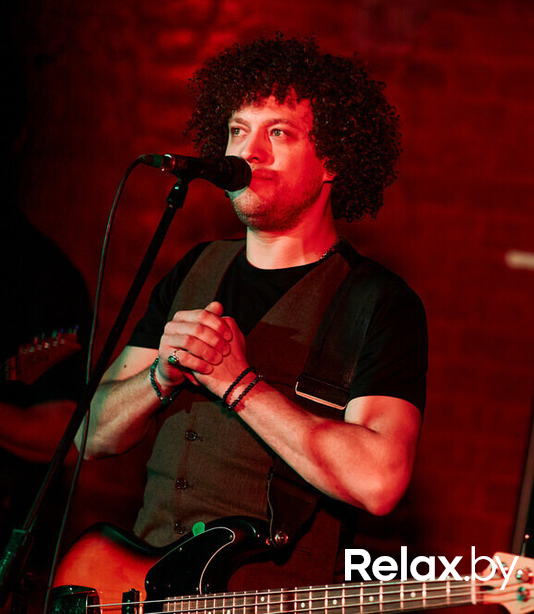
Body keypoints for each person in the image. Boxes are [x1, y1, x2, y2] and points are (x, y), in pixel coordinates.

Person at [78, 33, 427, 590]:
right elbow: (90, 435)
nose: (249, 152)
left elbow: (379, 481)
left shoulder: (377, 303)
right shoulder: (194, 268)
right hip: (137, 587)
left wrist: (237, 383)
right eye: (239, 131)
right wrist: (161, 376)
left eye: (279, 133)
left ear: (332, 160)